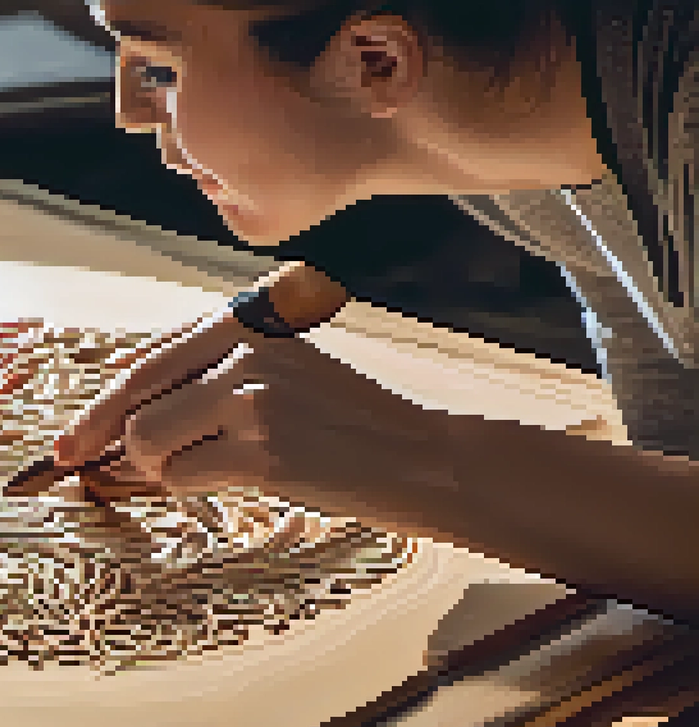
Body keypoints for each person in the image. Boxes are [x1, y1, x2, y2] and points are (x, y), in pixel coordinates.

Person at [56, 0, 699, 626]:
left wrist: (408, 459)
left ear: (375, 62)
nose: (128, 114)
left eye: (160, 68)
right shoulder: (543, 152)